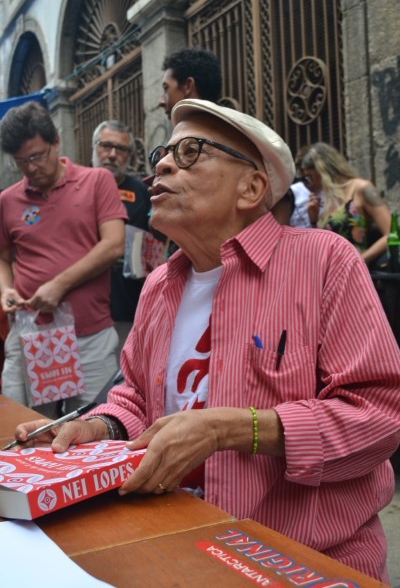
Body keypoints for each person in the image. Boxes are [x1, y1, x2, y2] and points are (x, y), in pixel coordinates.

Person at [14, 100, 400, 584]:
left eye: (191, 151)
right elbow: (134, 396)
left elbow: (380, 417)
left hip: (302, 561)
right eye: (164, 152)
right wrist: (101, 429)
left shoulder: (324, 262)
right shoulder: (160, 284)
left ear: (251, 187)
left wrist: (231, 429)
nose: (162, 164)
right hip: (175, 542)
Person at [0, 102, 127, 416]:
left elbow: (113, 245)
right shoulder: (8, 200)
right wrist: (5, 290)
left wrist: (58, 285)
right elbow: (3, 259)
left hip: (89, 335)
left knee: (88, 425)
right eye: (21, 161)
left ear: (56, 142)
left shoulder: (97, 181)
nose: (30, 168)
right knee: (22, 424)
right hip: (30, 334)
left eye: (36, 156)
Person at [91, 120, 153, 339]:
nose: (112, 154)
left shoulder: (144, 193)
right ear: (94, 147)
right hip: (85, 308)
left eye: (121, 149)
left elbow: (158, 244)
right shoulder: (76, 188)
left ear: (131, 155)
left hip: (129, 308)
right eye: (106, 146)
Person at [302, 142, 391, 268]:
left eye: (310, 177)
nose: (309, 184)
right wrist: (313, 220)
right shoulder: (327, 199)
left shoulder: (360, 188)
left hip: (359, 276)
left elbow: (391, 234)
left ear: (321, 169)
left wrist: (357, 261)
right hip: (334, 278)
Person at [159, 47, 222, 119]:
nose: (161, 102)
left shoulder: (188, 130)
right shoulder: (230, 128)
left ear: (188, 86)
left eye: (166, 88)